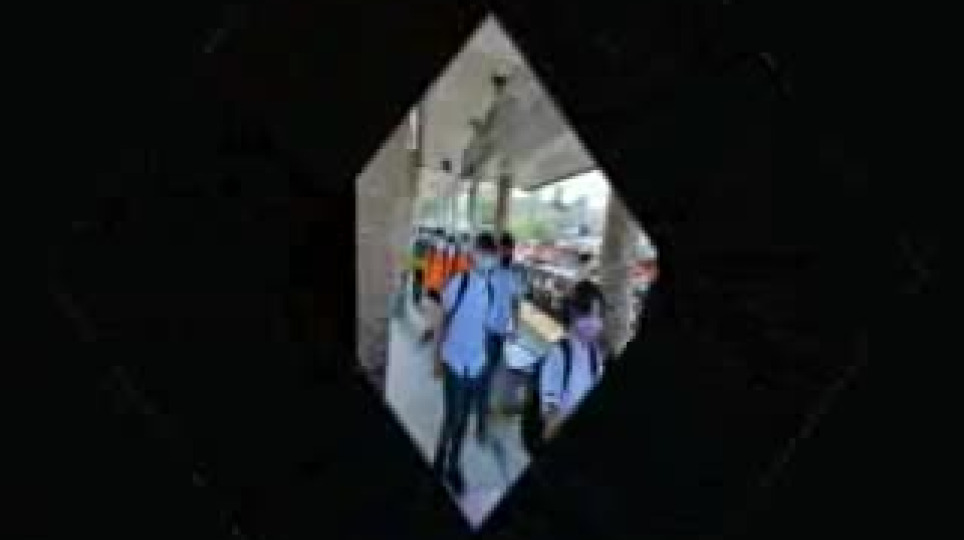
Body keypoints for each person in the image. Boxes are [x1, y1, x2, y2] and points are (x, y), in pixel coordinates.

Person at [431, 232, 498, 495]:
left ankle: (453, 466)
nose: (487, 258)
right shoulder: (458, 283)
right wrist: (436, 359)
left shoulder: (490, 289)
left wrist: (485, 361)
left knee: (463, 420)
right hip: (454, 362)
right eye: (483, 252)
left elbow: (484, 328)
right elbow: (441, 321)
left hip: (476, 365)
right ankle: (439, 462)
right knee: (453, 417)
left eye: (491, 254)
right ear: (473, 253)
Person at [522, 280, 607, 454]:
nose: (597, 323)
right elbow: (549, 420)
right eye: (593, 315)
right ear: (575, 314)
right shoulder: (559, 355)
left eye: (600, 316)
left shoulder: (595, 355)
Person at [478, 231, 525, 442]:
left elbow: (516, 303)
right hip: (487, 328)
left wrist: (515, 327)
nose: (506, 252)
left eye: (509, 248)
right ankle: (481, 416)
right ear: (498, 250)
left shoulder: (514, 274)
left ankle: (482, 405)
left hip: (501, 330)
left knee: (491, 369)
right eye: (503, 248)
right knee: (487, 371)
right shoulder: (489, 271)